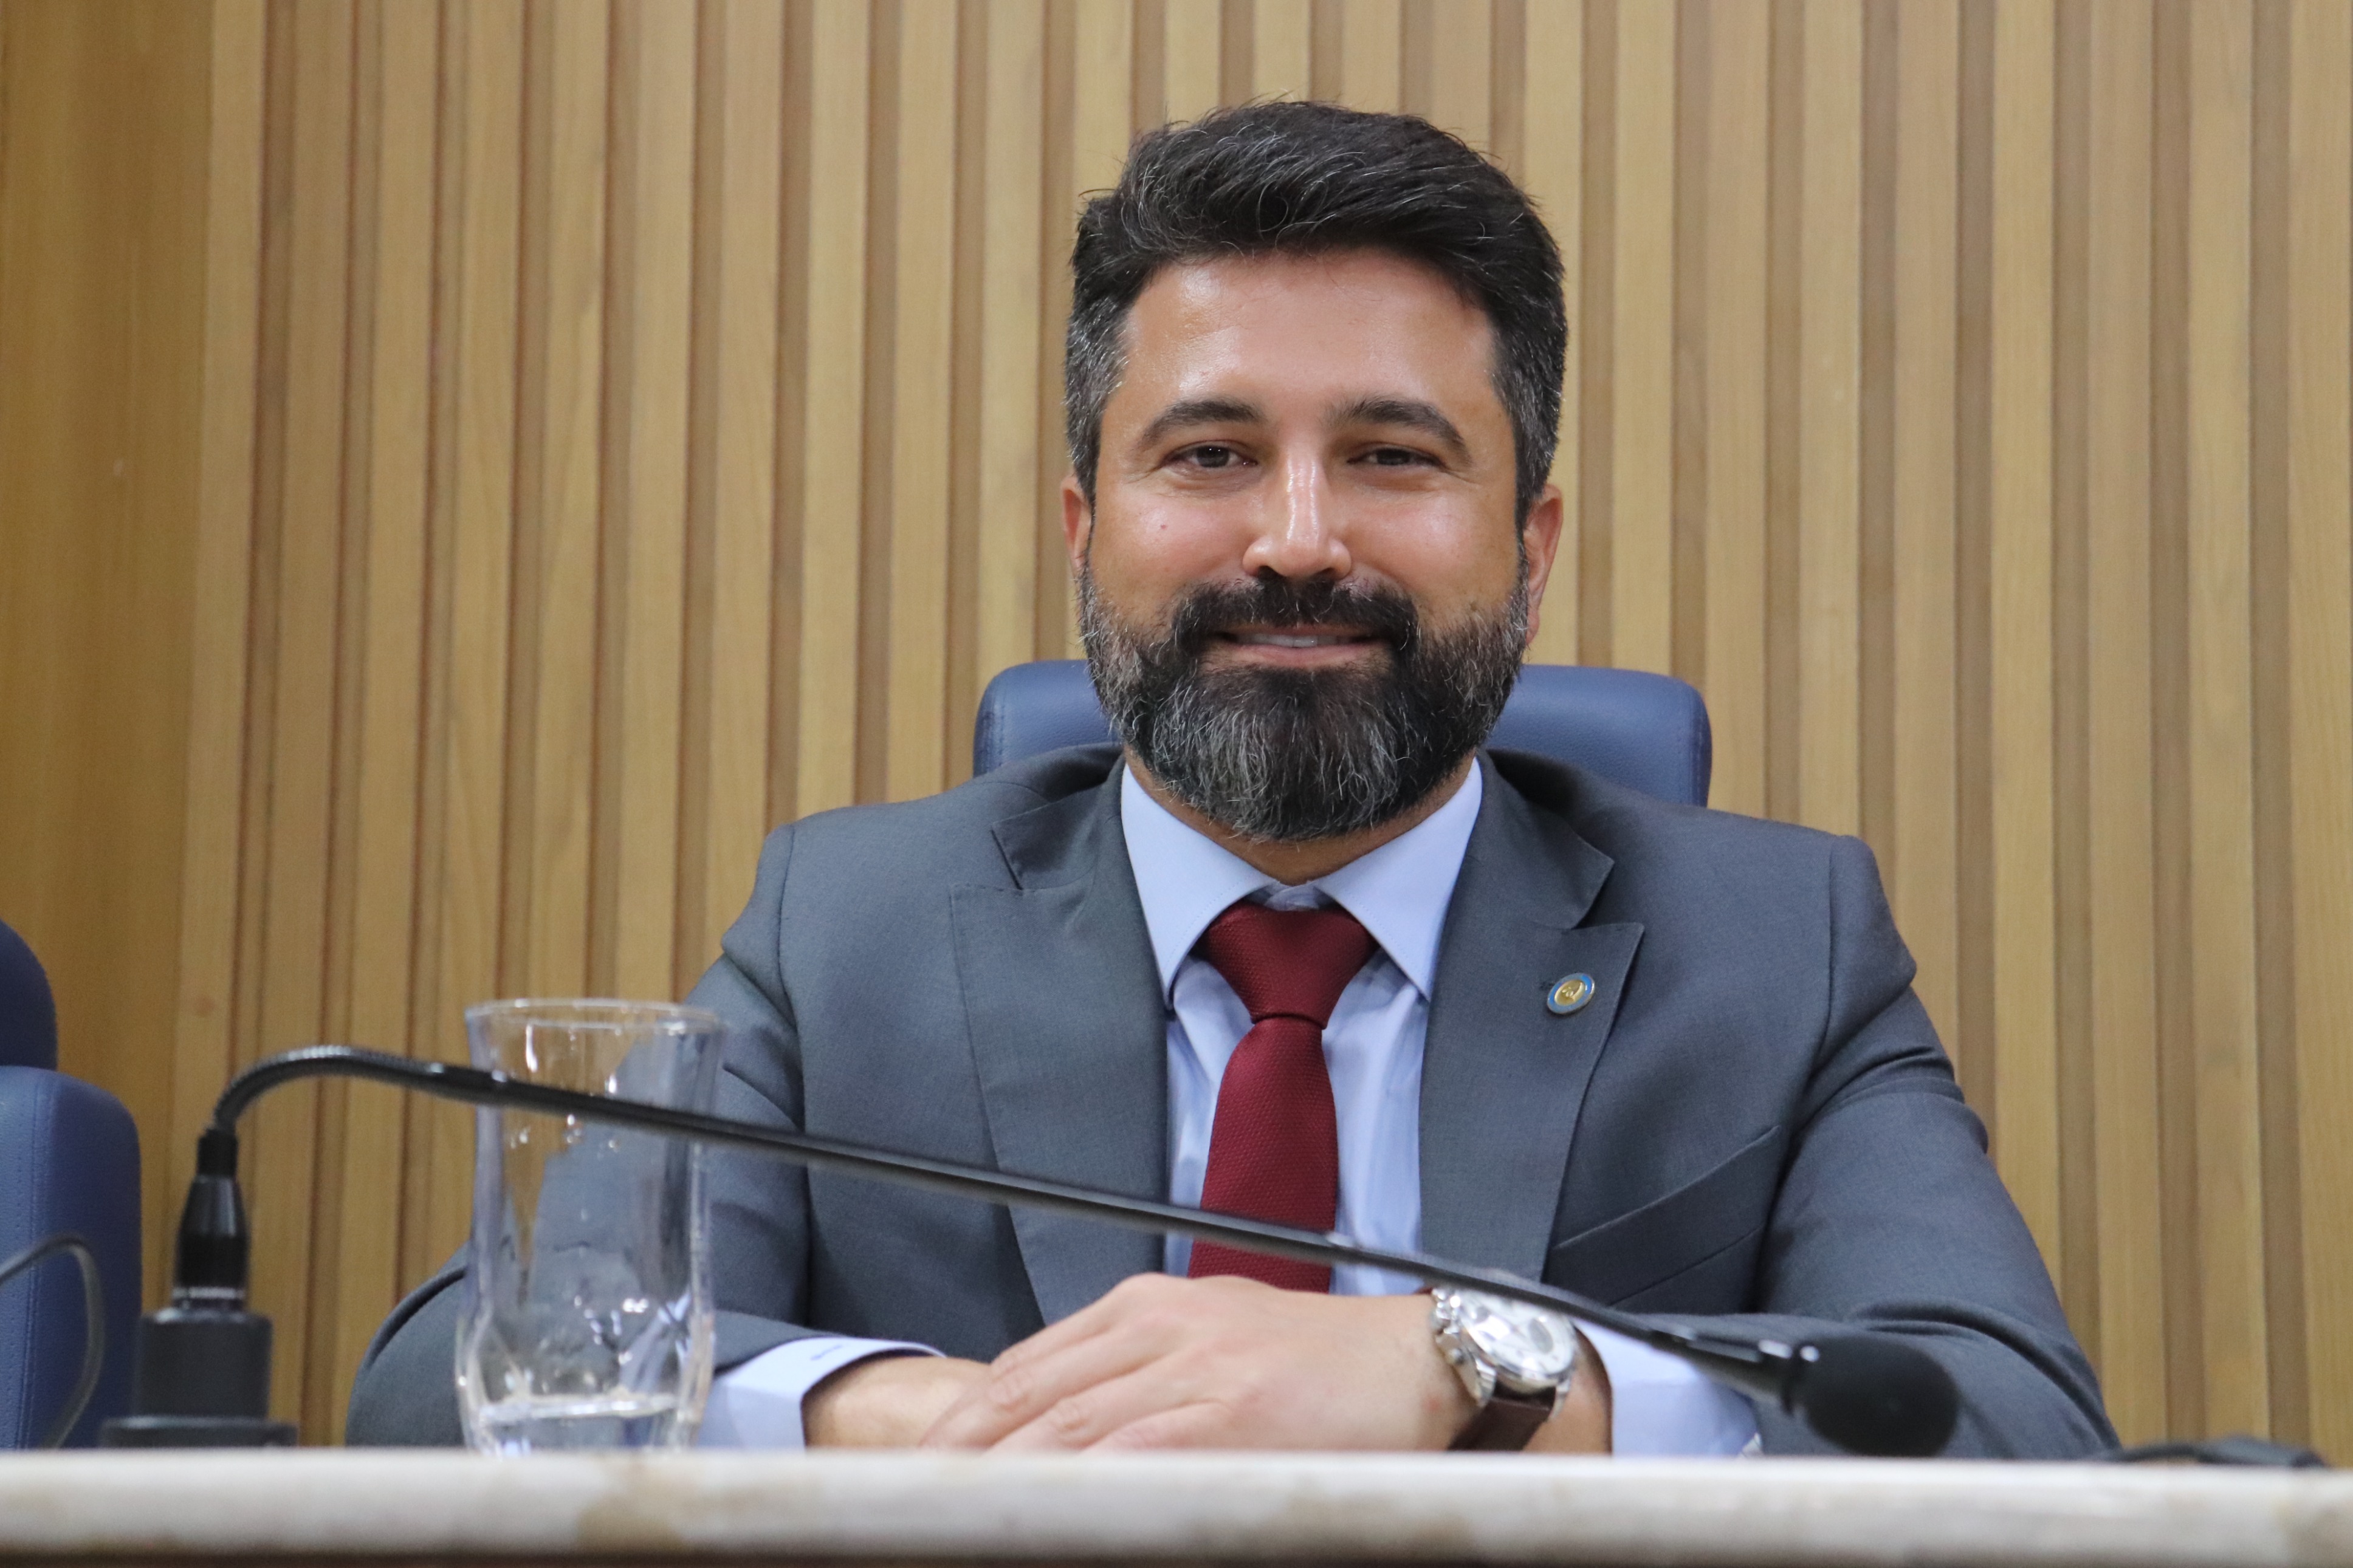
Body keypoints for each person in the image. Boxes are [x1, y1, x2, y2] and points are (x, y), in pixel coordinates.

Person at [348, 102, 2111, 1457]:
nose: (1297, 540)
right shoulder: (849, 929)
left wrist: (1461, 1375)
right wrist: (928, 1417)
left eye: (1392, 457)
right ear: (1084, 529)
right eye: (1209, 454)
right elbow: (451, 1384)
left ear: (1532, 546)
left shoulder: (1774, 947)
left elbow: (2015, 1425)